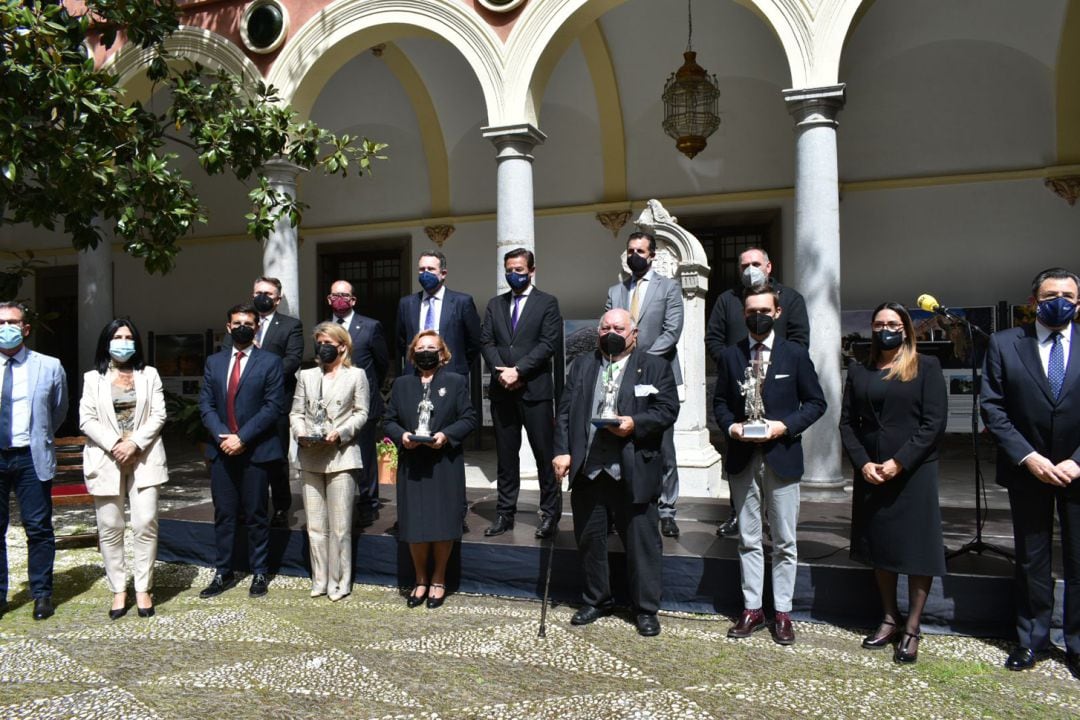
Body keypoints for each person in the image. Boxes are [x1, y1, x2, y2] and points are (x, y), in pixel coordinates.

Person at [553, 308, 678, 637]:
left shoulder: (654, 367)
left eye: (619, 328)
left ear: (633, 334)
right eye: (605, 327)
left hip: (632, 469)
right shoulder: (582, 366)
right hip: (589, 470)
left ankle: (646, 608)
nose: (611, 332)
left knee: (642, 543)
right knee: (590, 540)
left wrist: (635, 424)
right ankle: (597, 599)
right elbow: (564, 412)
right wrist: (562, 451)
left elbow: (667, 410)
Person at [712, 286, 826, 646]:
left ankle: (782, 612)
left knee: (784, 541)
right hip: (743, 458)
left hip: (782, 456)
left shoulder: (794, 355)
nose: (756, 316)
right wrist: (731, 427)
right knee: (748, 539)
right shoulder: (731, 356)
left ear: (777, 312)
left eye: (763, 310)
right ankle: (751, 608)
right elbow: (720, 404)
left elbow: (815, 403)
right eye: (750, 311)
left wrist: (784, 426)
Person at [981, 267, 1080, 677]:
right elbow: (993, 406)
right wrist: (1029, 457)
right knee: (1031, 559)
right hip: (1028, 471)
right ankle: (1031, 639)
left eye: (1068, 296)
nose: (1060, 301)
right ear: (1033, 301)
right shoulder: (1004, 344)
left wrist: (1077, 460)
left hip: (1078, 472)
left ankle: (1076, 644)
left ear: (1079, 302)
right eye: (1050, 294)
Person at [839, 303, 947, 664]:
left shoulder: (926, 367)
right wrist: (863, 462)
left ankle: (912, 628)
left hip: (913, 471)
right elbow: (847, 424)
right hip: (871, 471)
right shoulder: (860, 370)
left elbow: (933, 423)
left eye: (893, 323)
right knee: (881, 548)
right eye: (879, 323)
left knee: (917, 550)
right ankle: (889, 617)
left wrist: (900, 462)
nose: (886, 329)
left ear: (906, 329)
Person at [705, 248, 810, 538]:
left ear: (768, 265)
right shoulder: (727, 300)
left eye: (755, 263)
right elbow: (712, 337)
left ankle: (775, 519)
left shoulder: (791, 298)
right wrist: (732, 363)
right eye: (744, 265)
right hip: (742, 385)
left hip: (779, 389)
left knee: (778, 466)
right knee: (740, 462)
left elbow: (801, 340)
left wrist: (781, 363)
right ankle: (736, 515)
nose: (750, 269)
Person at [80, 318, 169, 620]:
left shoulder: (150, 375)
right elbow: (86, 419)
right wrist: (117, 442)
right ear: (107, 342)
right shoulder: (93, 378)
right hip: (106, 458)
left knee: (145, 523)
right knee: (110, 528)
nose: (123, 341)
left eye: (129, 336)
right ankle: (119, 587)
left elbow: (159, 414)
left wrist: (134, 444)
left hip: (144, 456)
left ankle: (143, 586)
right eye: (117, 336)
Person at [384, 330, 477, 609]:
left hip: (443, 462)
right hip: (413, 463)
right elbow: (388, 419)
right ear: (412, 354)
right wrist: (401, 436)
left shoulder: (456, 381)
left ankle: (438, 578)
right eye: (420, 347)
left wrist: (446, 436)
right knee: (415, 524)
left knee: (443, 523)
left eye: (432, 348)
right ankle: (420, 579)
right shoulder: (401, 385)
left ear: (442, 354)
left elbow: (469, 417)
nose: (426, 352)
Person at [198, 303, 285, 599]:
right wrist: (224, 435)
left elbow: (273, 407)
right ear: (228, 327)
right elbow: (206, 404)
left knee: (257, 514)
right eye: (237, 323)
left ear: (257, 326)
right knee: (223, 514)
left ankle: (259, 571)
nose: (243, 327)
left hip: (256, 450)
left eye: (249, 322)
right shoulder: (214, 362)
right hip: (222, 449)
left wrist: (242, 438)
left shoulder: (270, 362)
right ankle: (224, 571)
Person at [605, 231, 684, 538]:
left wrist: (642, 360)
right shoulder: (616, 290)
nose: (634, 255)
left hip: (657, 374)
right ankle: (622, 504)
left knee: (663, 445)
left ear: (652, 255)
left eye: (640, 250)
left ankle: (667, 509)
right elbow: (611, 328)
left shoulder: (669, 288)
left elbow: (672, 331)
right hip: (621, 376)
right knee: (621, 440)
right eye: (630, 250)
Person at [480, 248, 563, 539]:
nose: (513, 275)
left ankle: (550, 514)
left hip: (535, 392)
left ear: (531, 270)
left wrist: (519, 370)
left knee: (544, 456)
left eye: (518, 269)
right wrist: (501, 371)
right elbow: (486, 341)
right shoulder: (495, 304)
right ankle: (505, 513)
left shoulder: (547, 303)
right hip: (503, 392)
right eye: (509, 269)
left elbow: (548, 343)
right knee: (506, 456)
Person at [290, 322, 369, 602]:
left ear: (342, 346)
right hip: (310, 455)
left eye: (328, 342)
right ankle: (320, 578)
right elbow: (296, 411)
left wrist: (342, 432)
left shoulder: (356, 375)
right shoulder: (306, 375)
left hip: (341, 456)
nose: (323, 347)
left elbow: (362, 413)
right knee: (314, 524)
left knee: (340, 526)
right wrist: (300, 432)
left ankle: (340, 581)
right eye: (319, 342)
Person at [0, 302, 67, 621]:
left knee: (38, 528)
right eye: (0, 322)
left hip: (31, 457)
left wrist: (38, 437)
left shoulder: (49, 366)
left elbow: (58, 410)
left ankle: (42, 593)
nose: (6, 327)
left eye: (13, 322)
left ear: (26, 328)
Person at [225, 277, 302, 528]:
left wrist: (262, 369)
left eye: (268, 293)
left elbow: (292, 360)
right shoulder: (242, 323)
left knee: (276, 458)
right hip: (243, 403)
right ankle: (245, 505)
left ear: (278, 299)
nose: (263, 297)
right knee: (244, 457)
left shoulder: (291, 325)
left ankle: (280, 507)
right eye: (258, 292)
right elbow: (227, 357)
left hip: (276, 402)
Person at [327, 280, 388, 524]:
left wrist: (367, 388)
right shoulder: (324, 328)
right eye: (335, 295)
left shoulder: (371, 327)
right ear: (328, 299)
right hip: (333, 404)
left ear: (353, 300)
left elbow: (381, 363)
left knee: (364, 455)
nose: (340, 299)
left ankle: (368, 503)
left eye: (345, 295)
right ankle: (338, 501)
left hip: (363, 403)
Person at [396, 251, 481, 378]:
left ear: (443, 274)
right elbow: (401, 341)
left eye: (430, 269)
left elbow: (474, 341)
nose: (425, 273)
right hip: (416, 374)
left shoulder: (462, 302)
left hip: (451, 373)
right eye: (422, 269)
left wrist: (457, 363)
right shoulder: (406, 303)